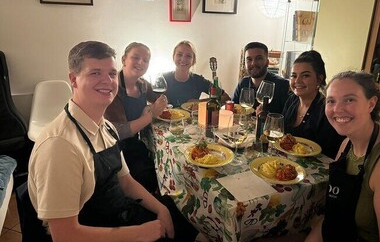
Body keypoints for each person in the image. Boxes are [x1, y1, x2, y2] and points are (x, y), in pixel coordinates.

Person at [28, 41, 198, 241]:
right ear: (73, 80)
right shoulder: (60, 146)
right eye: (95, 73)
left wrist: (162, 210)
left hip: (117, 213)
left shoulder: (106, 127)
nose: (107, 81)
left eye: (111, 73)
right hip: (91, 229)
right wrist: (139, 233)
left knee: (182, 211)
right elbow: (64, 235)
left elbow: (125, 182)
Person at [306, 71, 380, 242]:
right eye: (331, 101)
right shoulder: (346, 145)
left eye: (349, 99)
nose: (337, 109)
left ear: (371, 104)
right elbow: (333, 217)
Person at [105, 42, 167, 194]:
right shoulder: (113, 87)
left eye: (145, 60)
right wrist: (150, 114)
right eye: (136, 57)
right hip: (114, 149)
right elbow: (119, 132)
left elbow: (162, 99)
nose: (141, 62)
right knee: (150, 173)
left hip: (134, 143)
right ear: (124, 59)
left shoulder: (142, 85)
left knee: (162, 163)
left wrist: (154, 106)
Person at [282, 50, 344, 158]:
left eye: (305, 76)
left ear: (319, 79)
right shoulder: (291, 100)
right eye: (293, 76)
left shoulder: (327, 109)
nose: (297, 81)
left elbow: (329, 153)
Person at [163, 40, 230, 107]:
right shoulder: (163, 79)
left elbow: (226, 97)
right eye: (179, 54)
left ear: (193, 61)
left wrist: (199, 102)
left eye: (188, 56)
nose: (183, 59)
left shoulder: (199, 80)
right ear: (173, 57)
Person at [233, 42, 290, 114]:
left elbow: (288, 120)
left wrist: (268, 118)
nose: (253, 63)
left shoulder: (282, 85)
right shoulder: (243, 82)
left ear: (267, 62)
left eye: (258, 58)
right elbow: (233, 109)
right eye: (249, 59)